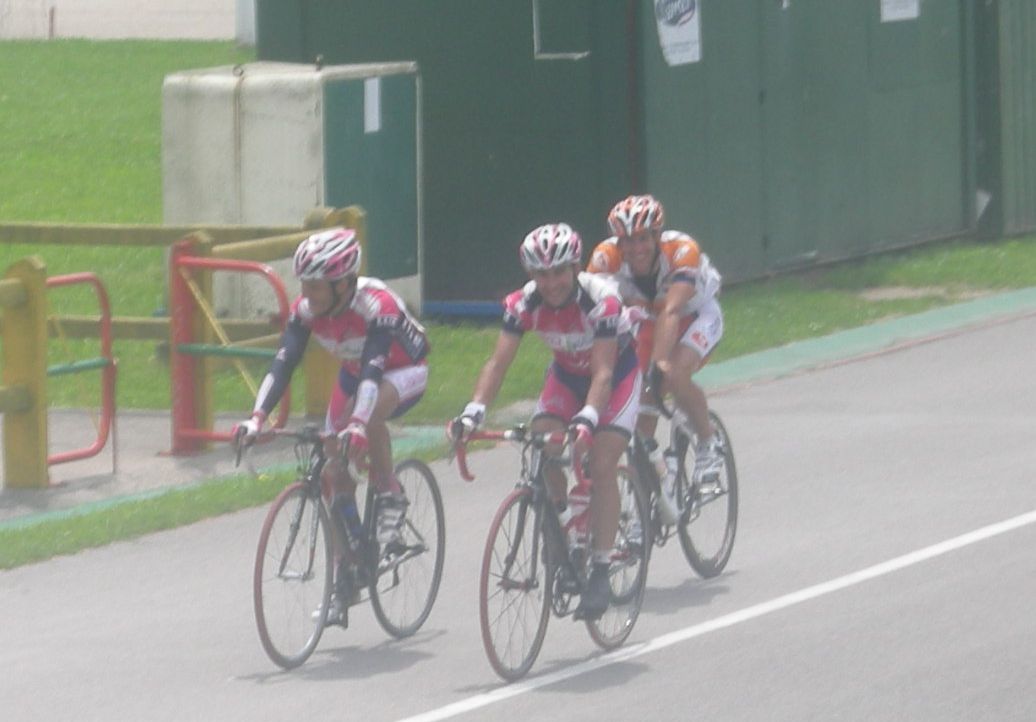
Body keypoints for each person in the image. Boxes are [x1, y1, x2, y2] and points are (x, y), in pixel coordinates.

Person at [235, 227, 430, 623]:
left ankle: (389, 492)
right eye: (304, 284)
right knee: (330, 471)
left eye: (316, 285)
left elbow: (374, 370)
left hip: (401, 370)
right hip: (356, 374)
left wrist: (356, 424)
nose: (307, 293)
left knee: (366, 417)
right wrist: (257, 417)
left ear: (343, 283)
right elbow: (284, 362)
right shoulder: (307, 310)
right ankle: (347, 574)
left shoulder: (375, 306)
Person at [449, 222, 641, 620]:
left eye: (558, 273)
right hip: (567, 376)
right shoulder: (523, 304)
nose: (551, 283)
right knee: (543, 442)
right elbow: (498, 363)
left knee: (602, 463)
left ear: (575, 268)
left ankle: (601, 568)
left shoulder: (601, 301)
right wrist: (473, 412)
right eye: (541, 274)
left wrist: (588, 419)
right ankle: (564, 524)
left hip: (615, 377)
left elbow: (604, 373)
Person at [587, 194, 724, 491]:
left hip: (694, 315)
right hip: (651, 320)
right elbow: (593, 312)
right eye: (627, 240)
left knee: (673, 373)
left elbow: (672, 311)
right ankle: (652, 483)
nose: (636, 248)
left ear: (657, 236)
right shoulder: (605, 258)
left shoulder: (682, 250)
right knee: (643, 405)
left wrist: (660, 363)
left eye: (643, 238)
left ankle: (708, 441)